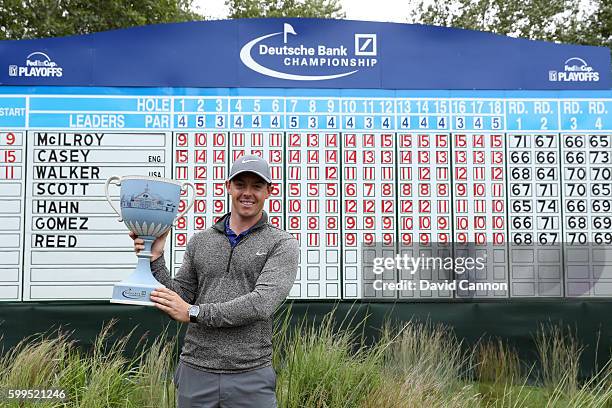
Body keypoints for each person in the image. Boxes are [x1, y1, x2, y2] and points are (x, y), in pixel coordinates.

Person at [131, 154, 299, 408]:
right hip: (195, 372)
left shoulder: (281, 243)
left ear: (269, 192)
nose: (248, 193)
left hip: (250, 375)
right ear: (228, 187)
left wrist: (194, 312)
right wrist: (155, 258)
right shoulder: (200, 241)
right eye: (241, 184)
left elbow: (261, 303)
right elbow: (179, 298)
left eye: (256, 186)